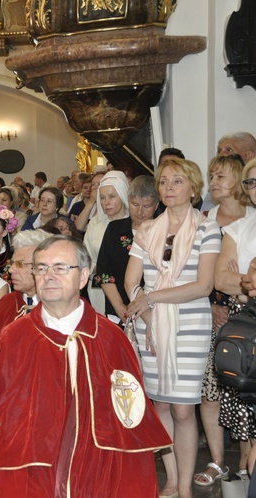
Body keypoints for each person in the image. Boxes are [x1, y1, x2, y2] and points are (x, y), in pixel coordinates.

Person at [0, 235, 171, 497]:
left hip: (97, 473)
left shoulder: (110, 338)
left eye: (61, 267)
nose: (48, 276)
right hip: (33, 476)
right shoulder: (13, 337)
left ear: (84, 276)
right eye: (41, 268)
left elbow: (130, 422)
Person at [125, 157, 221, 498]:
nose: (168, 187)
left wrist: (153, 299)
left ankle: (185, 486)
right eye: (164, 182)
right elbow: (131, 280)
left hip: (191, 324)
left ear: (193, 189)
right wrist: (145, 308)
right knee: (161, 406)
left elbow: (203, 285)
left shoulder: (207, 228)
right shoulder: (147, 229)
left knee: (183, 407)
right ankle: (170, 478)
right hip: (150, 325)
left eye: (177, 181)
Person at [200, 155, 256, 484]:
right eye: (251, 182)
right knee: (243, 402)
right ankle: (243, 472)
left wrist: (247, 281)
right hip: (245, 322)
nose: (253, 187)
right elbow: (221, 278)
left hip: (241, 307)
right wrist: (247, 284)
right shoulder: (237, 228)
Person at [95, 175, 158, 324]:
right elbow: (104, 272)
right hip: (118, 311)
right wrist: (119, 307)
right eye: (135, 204)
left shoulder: (163, 231)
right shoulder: (115, 229)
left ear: (156, 205)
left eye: (146, 206)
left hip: (154, 310)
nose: (139, 211)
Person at [0, 229, 52, 354]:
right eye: (12, 263)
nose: (11, 270)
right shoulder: (6, 303)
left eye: (19, 264)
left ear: (43, 267)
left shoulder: (59, 307)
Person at [83, 171, 129, 317]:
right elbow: (85, 255)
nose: (106, 202)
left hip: (126, 287)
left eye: (112, 196)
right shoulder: (95, 224)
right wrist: (94, 268)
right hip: (98, 288)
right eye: (102, 198)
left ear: (122, 195)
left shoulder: (133, 224)